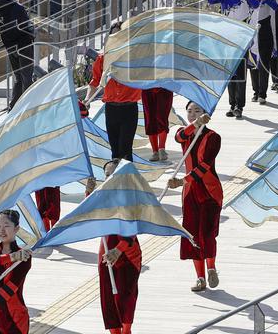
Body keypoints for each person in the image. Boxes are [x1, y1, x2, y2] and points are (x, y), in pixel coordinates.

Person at [167, 102, 222, 292]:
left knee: (207, 233)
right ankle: (200, 278)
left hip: (208, 191)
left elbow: (205, 165)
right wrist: (195, 124)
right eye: (190, 111)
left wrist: (182, 181)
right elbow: (178, 136)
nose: (193, 114)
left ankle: (211, 267)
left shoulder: (214, 137)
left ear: (206, 114)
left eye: (197, 111)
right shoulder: (185, 133)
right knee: (192, 236)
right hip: (189, 192)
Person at [88, 22, 142, 161]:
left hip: (129, 108)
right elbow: (95, 82)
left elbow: (144, 77)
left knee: (125, 149)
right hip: (111, 108)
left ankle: (127, 179)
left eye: (120, 34)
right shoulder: (102, 59)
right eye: (114, 35)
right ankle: (115, 180)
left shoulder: (135, 58)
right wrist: (86, 101)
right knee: (115, 150)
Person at [98, 159, 141, 334]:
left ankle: (127, 331)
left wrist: (119, 249)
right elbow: (88, 217)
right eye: (107, 175)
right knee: (108, 300)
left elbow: (132, 229)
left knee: (126, 298)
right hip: (106, 252)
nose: (109, 178)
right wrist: (88, 193)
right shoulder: (100, 198)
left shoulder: (130, 199)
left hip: (127, 254)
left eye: (114, 175)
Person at [208, 0, 258, 118]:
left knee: (241, 73)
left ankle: (239, 106)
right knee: (230, 74)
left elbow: (256, 4)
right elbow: (211, 0)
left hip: (242, 38)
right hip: (227, 39)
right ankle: (232, 104)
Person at [0, 0, 35, 109]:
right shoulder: (18, 9)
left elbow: (9, 7)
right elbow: (29, 28)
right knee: (27, 78)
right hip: (24, 46)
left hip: (10, 46)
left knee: (18, 78)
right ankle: (28, 109)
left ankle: (13, 108)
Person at [142, 86, 174, 161]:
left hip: (164, 87)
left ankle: (161, 149)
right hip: (147, 87)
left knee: (162, 117)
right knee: (150, 120)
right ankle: (155, 152)